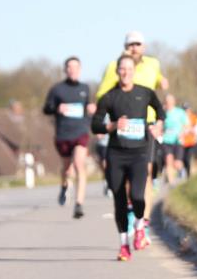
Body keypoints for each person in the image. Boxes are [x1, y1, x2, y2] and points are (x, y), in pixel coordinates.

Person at [96, 32, 168, 245]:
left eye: (138, 44)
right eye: (130, 45)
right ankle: (134, 215)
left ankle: (141, 222)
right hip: (124, 129)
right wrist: (104, 114)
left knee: (147, 173)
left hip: (149, 126)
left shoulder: (153, 63)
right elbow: (104, 94)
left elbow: (157, 87)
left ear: (144, 46)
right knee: (129, 180)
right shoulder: (114, 67)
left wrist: (163, 82)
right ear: (125, 47)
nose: (135, 48)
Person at [43, 56, 96, 219]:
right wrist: (57, 108)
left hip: (80, 132)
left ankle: (79, 204)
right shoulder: (57, 89)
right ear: (65, 70)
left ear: (80, 70)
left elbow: (88, 107)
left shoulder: (85, 88)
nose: (73, 70)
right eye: (70, 67)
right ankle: (64, 186)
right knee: (67, 168)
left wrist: (91, 110)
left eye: (76, 67)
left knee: (80, 164)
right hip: (63, 134)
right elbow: (46, 109)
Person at [161, 95, 188, 185]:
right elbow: (160, 126)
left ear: (173, 102)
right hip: (166, 140)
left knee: (177, 164)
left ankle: (183, 175)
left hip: (178, 141)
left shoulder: (180, 112)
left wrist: (182, 133)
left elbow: (187, 125)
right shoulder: (162, 113)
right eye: (167, 101)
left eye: (170, 101)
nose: (168, 103)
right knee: (168, 160)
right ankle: (171, 185)